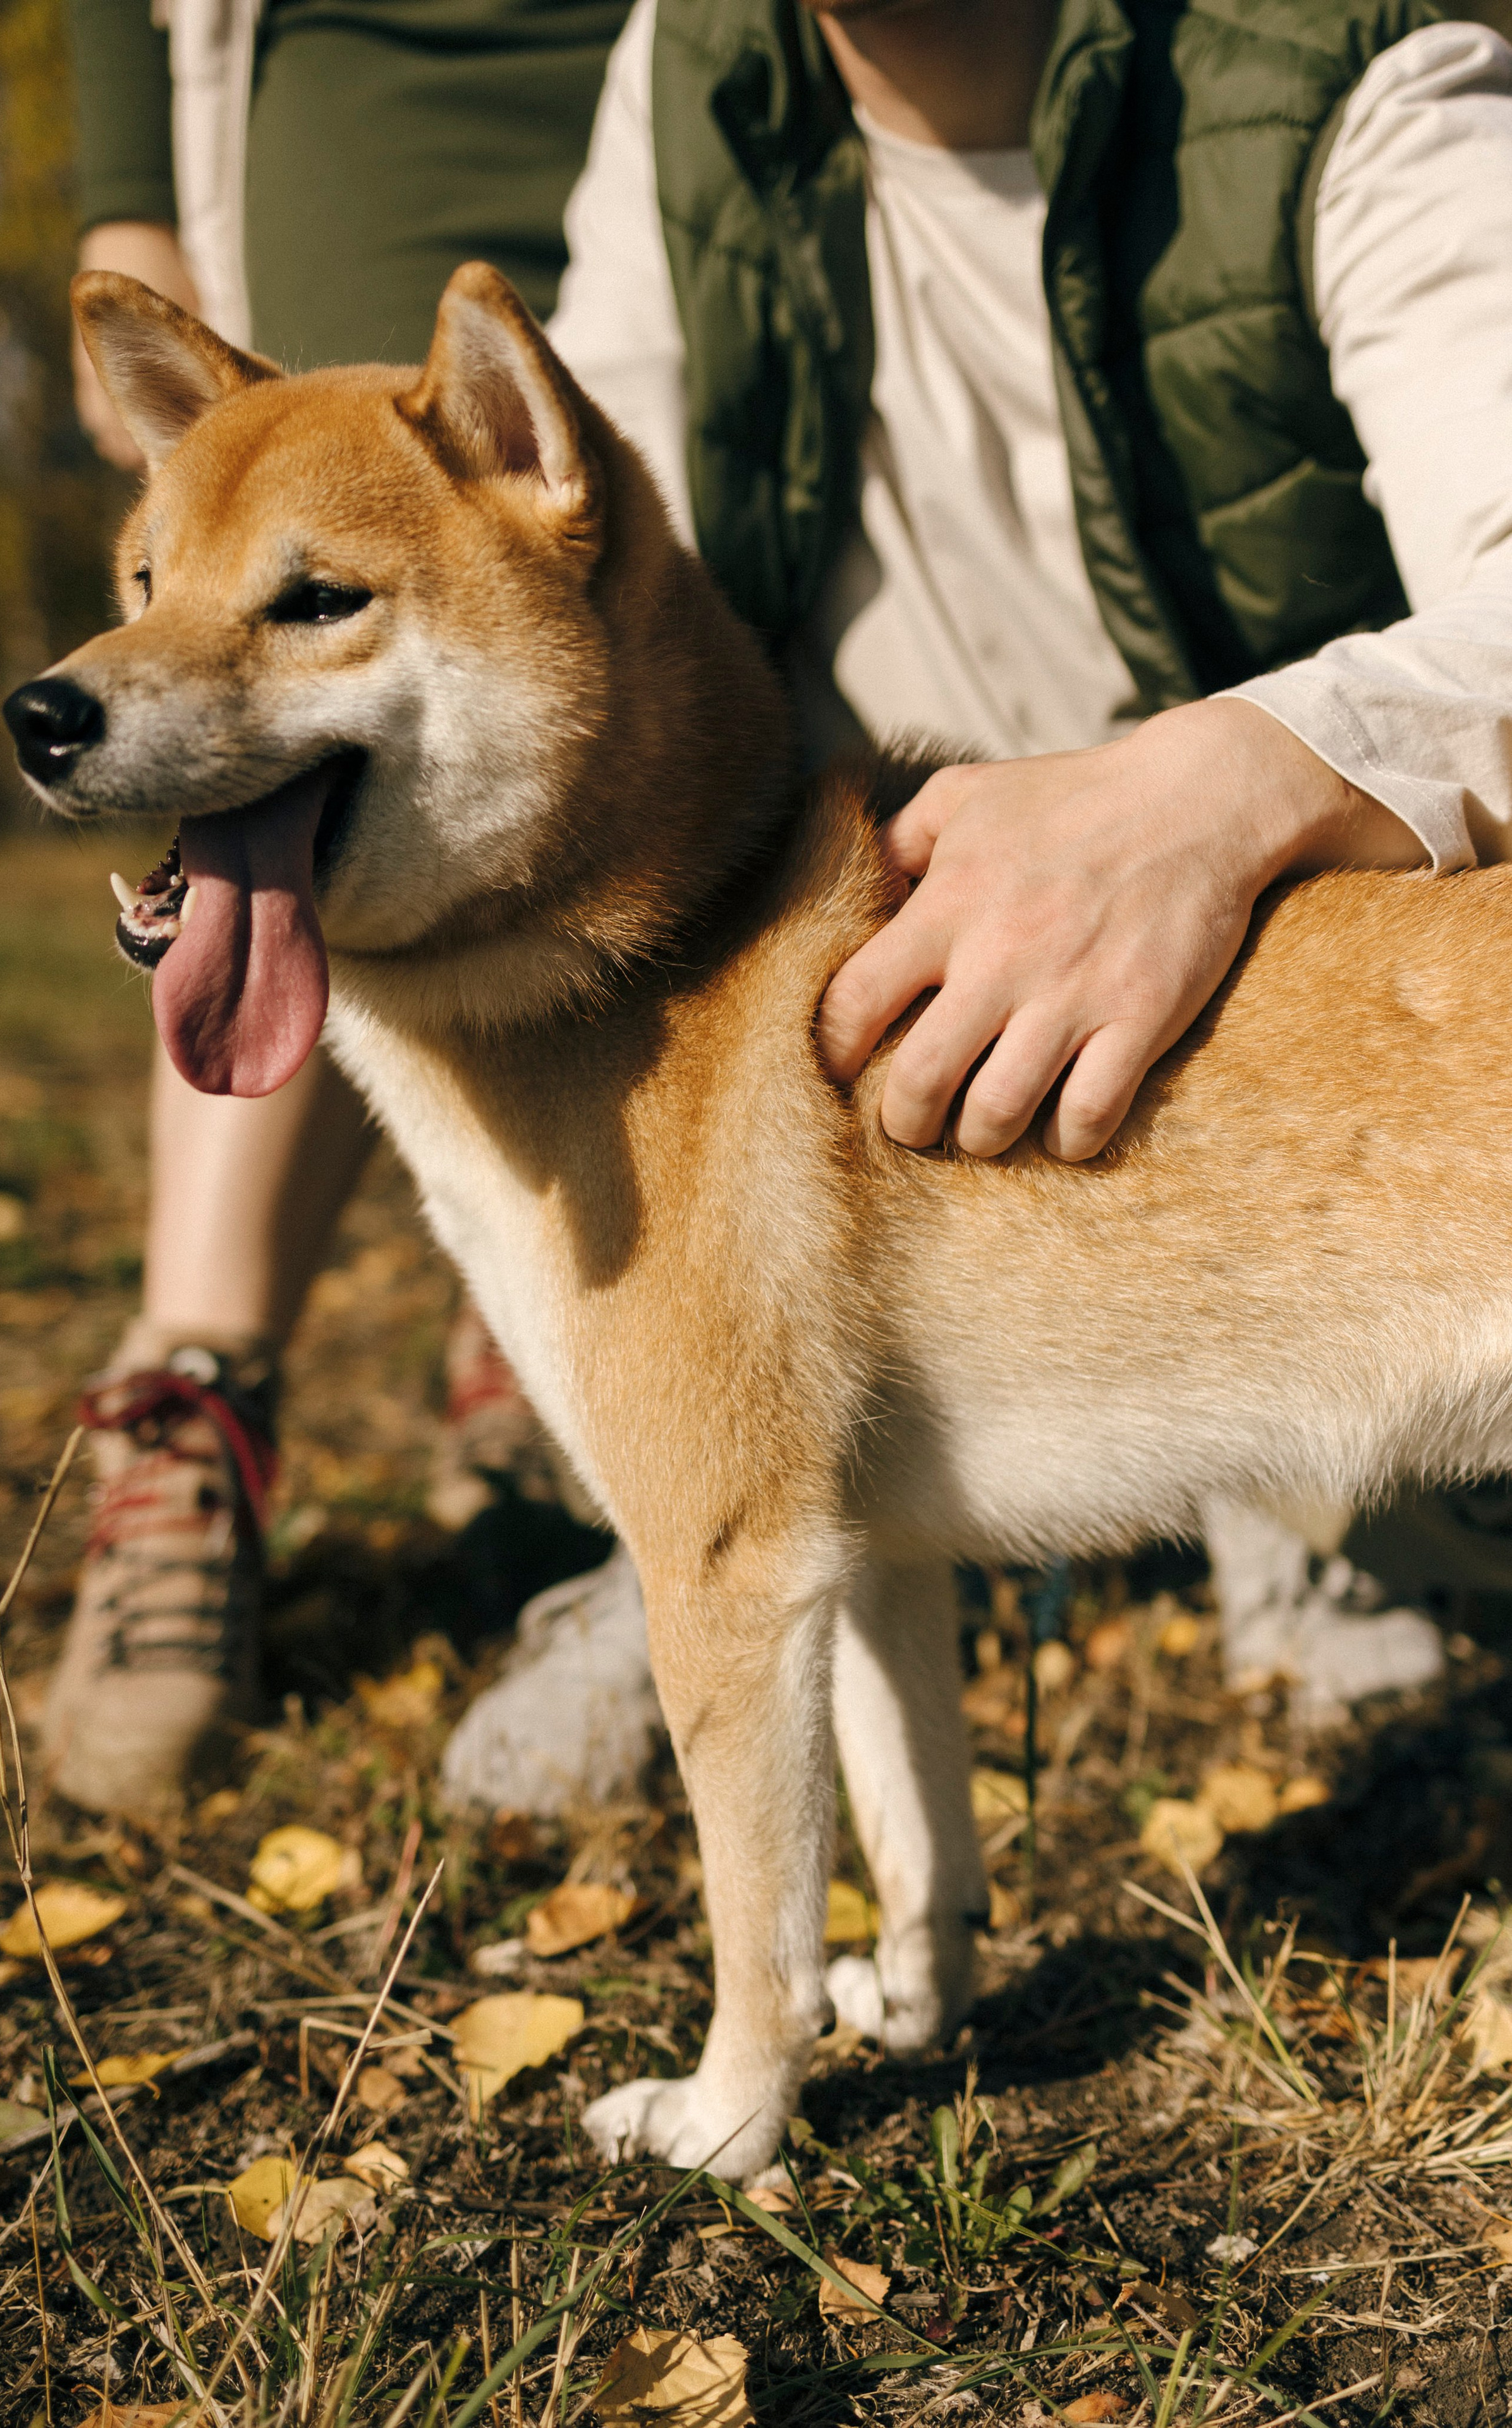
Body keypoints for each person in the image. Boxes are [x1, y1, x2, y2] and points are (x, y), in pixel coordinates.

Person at [443, 0, 1512, 1776]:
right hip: (884, 962)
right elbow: (608, 596)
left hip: (1312, 978)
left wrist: (1233, 787)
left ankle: (1305, 1499)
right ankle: (703, 1525)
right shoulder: (694, 66)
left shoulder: (1348, 63)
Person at [45, 0, 643, 1815]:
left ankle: (597, 1311)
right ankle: (200, 1388)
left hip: (720, 51)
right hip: (381, 53)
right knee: (286, 685)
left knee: (689, 684)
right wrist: (125, 176)